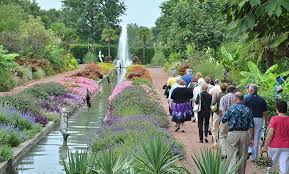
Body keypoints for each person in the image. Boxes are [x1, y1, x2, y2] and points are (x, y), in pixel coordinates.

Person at [221, 92, 254, 174]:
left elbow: (224, 119)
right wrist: (252, 138)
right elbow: (251, 125)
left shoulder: (231, 108)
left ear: (235, 98)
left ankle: (231, 172)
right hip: (244, 134)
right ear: (242, 99)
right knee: (243, 157)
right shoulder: (248, 109)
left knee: (231, 156)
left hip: (233, 134)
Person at [262, 100, 289, 174]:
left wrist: (265, 146)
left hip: (273, 146)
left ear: (277, 109)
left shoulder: (274, 119)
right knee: (284, 168)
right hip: (287, 146)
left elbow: (270, 134)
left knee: (270, 166)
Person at [244, 84, 268, 162]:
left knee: (248, 135)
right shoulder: (262, 99)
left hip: (248, 119)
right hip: (259, 119)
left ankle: (248, 151)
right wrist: (266, 121)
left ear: (251, 90)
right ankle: (254, 157)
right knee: (256, 137)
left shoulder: (245, 98)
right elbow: (265, 112)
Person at [219, 85, 237, 157]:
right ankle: (231, 153)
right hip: (234, 120)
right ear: (233, 91)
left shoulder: (223, 98)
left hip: (225, 119)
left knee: (222, 136)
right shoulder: (236, 98)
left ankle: (224, 153)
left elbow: (221, 109)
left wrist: (222, 118)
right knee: (232, 135)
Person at [211, 83, 227, 148]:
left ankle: (215, 142)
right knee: (223, 128)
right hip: (225, 114)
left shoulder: (218, 95)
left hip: (217, 113)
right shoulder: (227, 95)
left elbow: (213, 103)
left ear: (220, 88)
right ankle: (223, 143)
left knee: (215, 127)